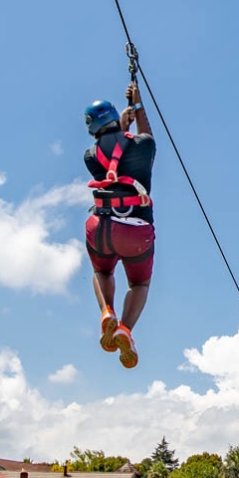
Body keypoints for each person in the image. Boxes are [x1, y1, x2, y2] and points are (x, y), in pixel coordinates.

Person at [83, 82, 155, 369]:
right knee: (139, 283)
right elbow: (143, 135)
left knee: (101, 270)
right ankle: (125, 328)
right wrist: (138, 106)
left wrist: (125, 119)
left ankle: (106, 312)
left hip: (99, 227)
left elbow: (113, 147)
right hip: (135, 230)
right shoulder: (144, 147)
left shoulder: (90, 156)